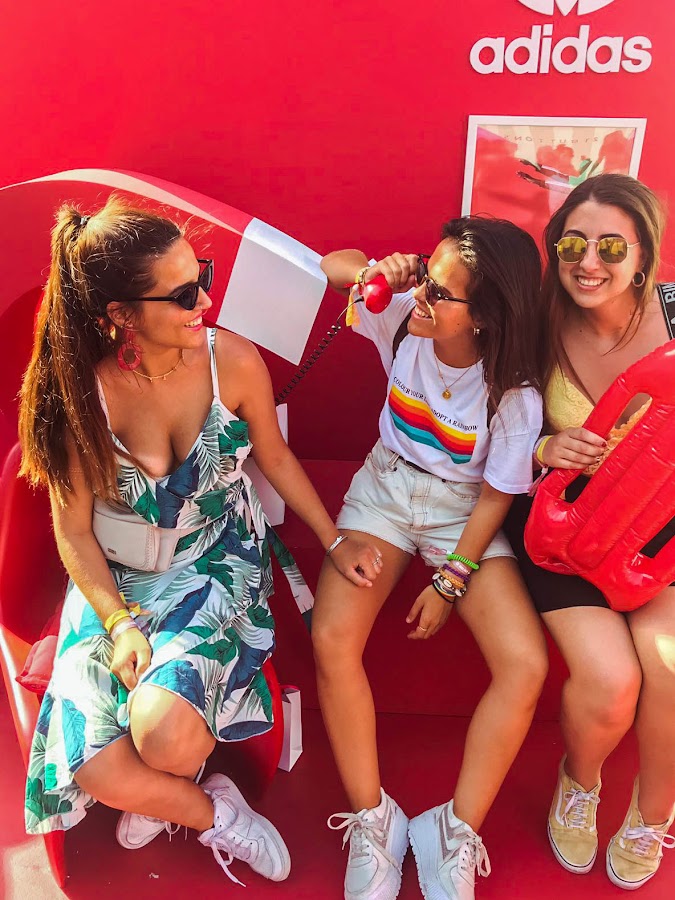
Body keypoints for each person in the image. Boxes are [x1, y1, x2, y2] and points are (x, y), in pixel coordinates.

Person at [18, 197, 380, 884]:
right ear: (120, 314)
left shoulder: (231, 362)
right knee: (93, 764)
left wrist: (334, 542)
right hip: (116, 580)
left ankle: (169, 786)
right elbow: (73, 530)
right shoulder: (79, 396)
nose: (206, 301)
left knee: (160, 737)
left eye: (202, 277)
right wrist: (119, 623)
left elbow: (273, 457)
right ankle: (213, 810)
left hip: (214, 561)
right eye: (184, 294)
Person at [313, 217, 549, 900]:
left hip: (462, 513)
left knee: (525, 664)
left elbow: (495, 497)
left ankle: (452, 830)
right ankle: (372, 818)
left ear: (485, 316)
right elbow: (332, 262)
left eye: (440, 293)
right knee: (331, 635)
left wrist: (450, 582)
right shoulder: (402, 319)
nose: (422, 297)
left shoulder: (514, 393)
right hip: (385, 488)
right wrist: (380, 271)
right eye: (426, 275)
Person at [504, 174, 675, 891]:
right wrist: (544, 447)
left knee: (671, 666)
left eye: (611, 246)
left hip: (657, 534)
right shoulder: (536, 323)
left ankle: (653, 813)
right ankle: (580, 783)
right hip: (565, 532)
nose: (589, 262)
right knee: (610, 683)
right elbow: (493, 432)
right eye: (572, 245)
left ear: (643, 256)